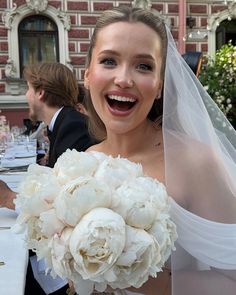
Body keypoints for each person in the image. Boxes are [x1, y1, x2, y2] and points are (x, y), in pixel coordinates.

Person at [82, 6, 236, 295]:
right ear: (88, 74)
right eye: (109, 61)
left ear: (161, 84)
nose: (124, 79)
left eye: (144, 66)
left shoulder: (195, 162)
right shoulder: (85, 164)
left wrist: (156, 283)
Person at [0, 62, 95, 295]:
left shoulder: (73, 126)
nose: (26, 95)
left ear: (40, 92)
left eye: (28, 88)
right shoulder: (64, 122)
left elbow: (61, 204)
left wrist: (8, 197)